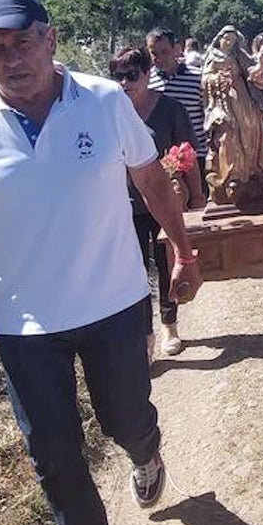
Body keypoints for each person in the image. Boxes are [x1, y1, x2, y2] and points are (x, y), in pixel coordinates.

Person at [0, 0, 202, 525]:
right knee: (55, 456)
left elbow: (150, 179)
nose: (11, 59)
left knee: (127, 421)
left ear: (50, 40)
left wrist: (183, 252)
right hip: (25, 323)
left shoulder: (103, 100)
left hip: (115, 303)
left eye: (22, 42)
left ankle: (146, 455)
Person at [110, 45, 206, 359]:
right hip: (126, 205)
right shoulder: (108, 112)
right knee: (135, 271)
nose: (125, 83)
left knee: (168, 264)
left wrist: (196, 195)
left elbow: (186, 153)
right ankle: (144, 333)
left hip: (166, 199)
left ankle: (170, 325)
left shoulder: (170, 108)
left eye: (132, 75)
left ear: (148, 74)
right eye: (118, 76)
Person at [201, 25, 263, 208]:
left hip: (241, 96)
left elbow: (253, 73)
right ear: (219, 39)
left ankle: (252, 169)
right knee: (229, 135)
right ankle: (234, 175)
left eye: (233, 40)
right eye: (226, 39)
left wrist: (260, 67)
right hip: (222, 102)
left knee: (250, 128)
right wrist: (219, 78)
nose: (229, 43)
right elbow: (205, 80)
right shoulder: (211, 56)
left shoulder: (239, 55)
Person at [147, 28, 208, 193]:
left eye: (164, 52)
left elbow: (208, 116)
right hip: (159, 160)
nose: (159, 58)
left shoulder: (198, 78)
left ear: (177, 49)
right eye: (154, 53)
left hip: (196, 157)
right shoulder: (147, 81)